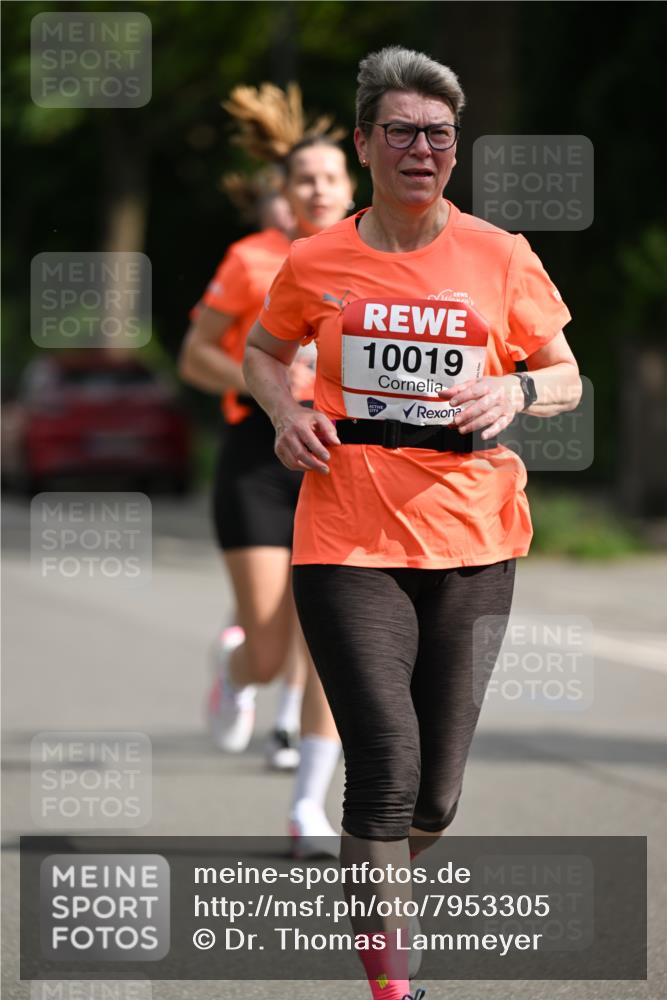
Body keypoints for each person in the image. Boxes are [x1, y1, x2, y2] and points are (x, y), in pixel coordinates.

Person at [243, 47, 581, 998]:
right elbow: (262, 352)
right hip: (346, 537)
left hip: (475, 537)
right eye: (399, 131)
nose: (420, 149)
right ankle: (392, 981)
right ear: (363, 144)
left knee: (434, 797)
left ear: (455, 148)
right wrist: (284, 411)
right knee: (386, 767)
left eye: (438, 133)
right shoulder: (316, 259)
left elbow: (564, 373)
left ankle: (371, 875)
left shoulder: (499, 255)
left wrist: (516, 390)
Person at [179, 83, 355, 855]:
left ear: (349, 184)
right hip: (259, 455)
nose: (318, 190)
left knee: (328, 644)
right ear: (283, 191)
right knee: (270, 646)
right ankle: (236, 668)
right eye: (303, 180)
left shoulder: (377, 258)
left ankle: (306, 806)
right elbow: (195, 356)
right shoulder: (251, 259)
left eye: (330, 177)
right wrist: (269, 384)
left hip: (345, 460)